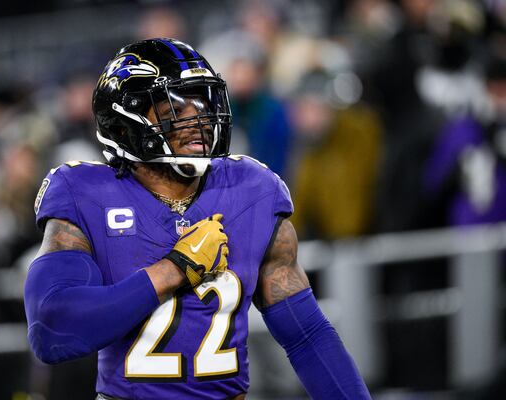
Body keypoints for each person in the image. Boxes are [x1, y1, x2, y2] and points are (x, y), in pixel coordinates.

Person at [24, 38, 370, 399]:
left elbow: (307, 335)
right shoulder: (86, 193)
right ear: (129, 117)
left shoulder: (250, 189)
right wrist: (175, 268)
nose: (199, 115)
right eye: (178, 102)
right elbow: (52, 331)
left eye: (202, 98)